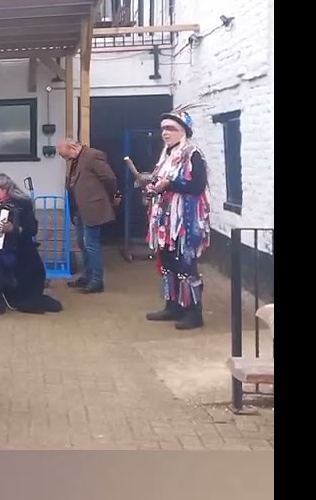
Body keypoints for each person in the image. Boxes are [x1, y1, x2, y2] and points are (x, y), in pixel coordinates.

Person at [137, 103, 211, 330]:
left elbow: (197, 185)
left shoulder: (193, 154)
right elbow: (160, 182)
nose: (165, 133)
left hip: (185, 222)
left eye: (170, 128)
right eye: (163, 129)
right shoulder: (166, 155)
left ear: (184, 130)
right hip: (165, 223)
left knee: (186, 265)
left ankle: (194, 312)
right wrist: (151, 186)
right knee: (167, 264)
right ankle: (173, 306)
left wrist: (170, 183)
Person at [0, 173, 63, 316]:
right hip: (0, 246)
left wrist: (14, 229)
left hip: (18, 248)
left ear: (5, 189)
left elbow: (32, 229)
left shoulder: (22, 203)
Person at [58, 138, 120, 293]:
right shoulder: (75, 159)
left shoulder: (92, 156)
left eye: (65, 156)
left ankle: (97, 281)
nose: (66, 160)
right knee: (82, 243)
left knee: (91, 244)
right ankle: (86, 276)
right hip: (79, 208)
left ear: (72, 147)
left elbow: (109, 178)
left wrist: (113, 196)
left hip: (93, 206)